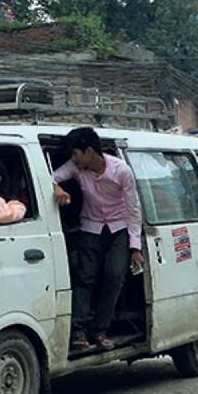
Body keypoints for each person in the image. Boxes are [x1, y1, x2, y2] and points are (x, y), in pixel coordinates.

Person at [52, 127, 144, 351]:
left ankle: (100, 330)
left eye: (75, 153)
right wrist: (56, 188)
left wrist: (135, 246)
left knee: (114, 275)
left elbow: (133, 210)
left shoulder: (121, 171)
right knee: (85, 277)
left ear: (89, 151)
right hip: (90, 227)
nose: (73, 159)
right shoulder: (76, 167)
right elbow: (51, 177)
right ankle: (79, 330)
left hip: (118, 229)